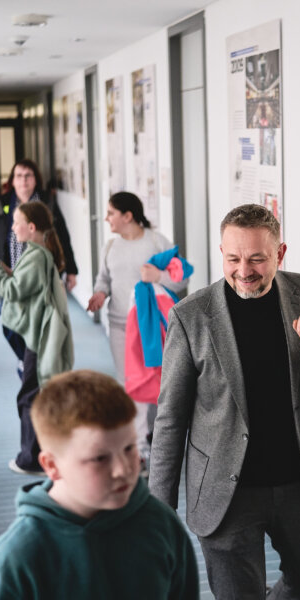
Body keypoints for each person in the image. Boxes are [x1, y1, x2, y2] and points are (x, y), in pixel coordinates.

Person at [149, 204, 300, 600]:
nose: (243, 270)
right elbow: (170, 419)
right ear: (221, 252)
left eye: (257, 259)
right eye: (233, 258)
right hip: (225, 489)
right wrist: (157, 512)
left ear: (280, 254)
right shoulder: (191, 316)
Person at [0, 370, 199, 599]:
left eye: (129, 448)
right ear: (51, 465)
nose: (123, 470)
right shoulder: (16, 559)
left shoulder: (161, 524)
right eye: (100, 459)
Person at [86, 192, 188, 463]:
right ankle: (140, 441)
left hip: (153, 327)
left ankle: (155, 434)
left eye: (111, 213)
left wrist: (159, 276)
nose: (107, 218)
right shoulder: (110, 247)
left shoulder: (156, 242)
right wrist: (99, 294)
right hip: (120, 326)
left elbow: (180, 280)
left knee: (157, 379)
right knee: (130, 381)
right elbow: (103, 279)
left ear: (127, 216)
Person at [0, 202, 74, 475]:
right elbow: (22, 282)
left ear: (31, 228)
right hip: (36, 335)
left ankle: (31, 458)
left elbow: (13, 290)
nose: (12, 227)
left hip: (38, 339)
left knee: (29, 395)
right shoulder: (39, 253)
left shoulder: (35, 256)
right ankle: (44, 452)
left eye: (16, 222)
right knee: (34, 392)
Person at [0, 159, 79, 371]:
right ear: (12, 181)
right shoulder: (4, 202)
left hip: (42, 270)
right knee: (10, 320)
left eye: (28, 175)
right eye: (19, 176)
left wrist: (71, 269)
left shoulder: (46, 202)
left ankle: (34, 362)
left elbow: (62, 235)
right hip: (12, 270)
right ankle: (26, 358)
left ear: (36, 180)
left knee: (39, 320)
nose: (24, 180)